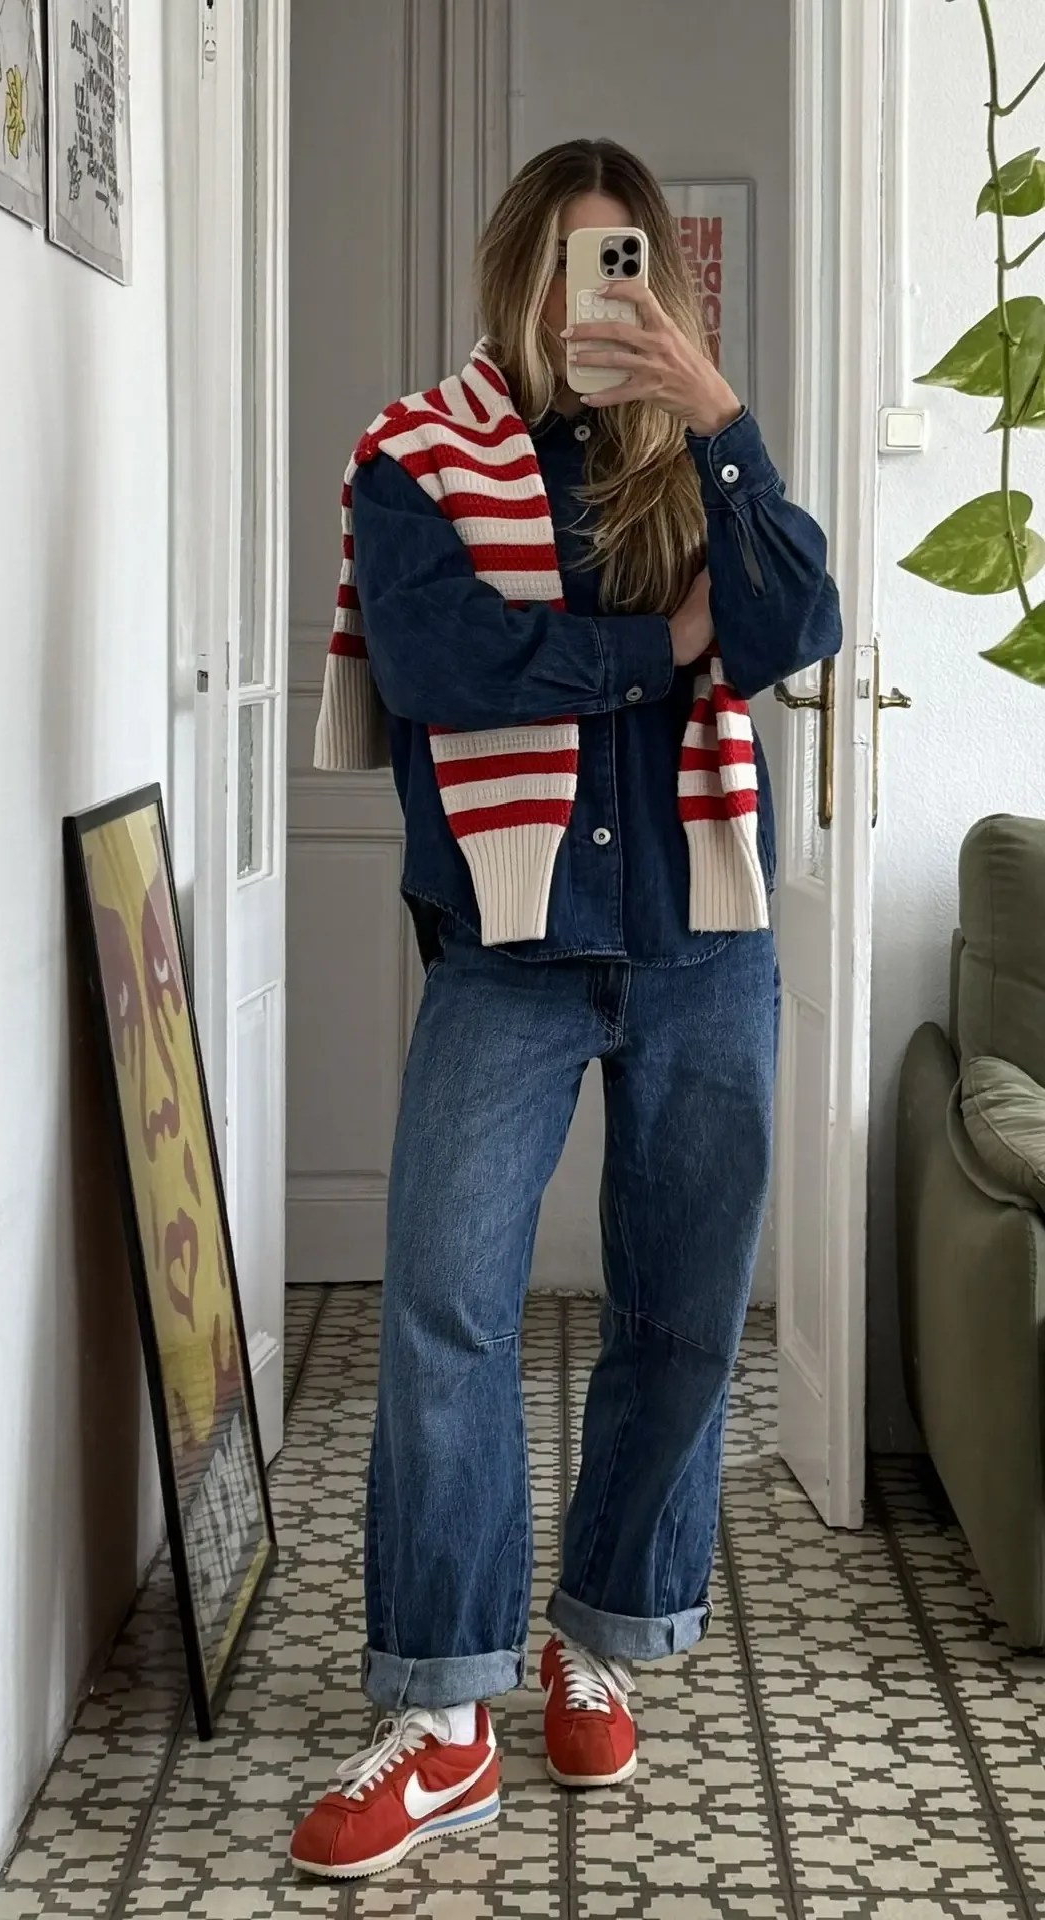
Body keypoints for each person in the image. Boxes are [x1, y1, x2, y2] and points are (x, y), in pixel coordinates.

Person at [291, 137, 841, 1883]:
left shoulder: (696, 459)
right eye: (562, 260)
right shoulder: (413, 453)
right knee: (446, 1312)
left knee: (683, 1316)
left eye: (622, 265)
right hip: (507, 948)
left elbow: (795, 621)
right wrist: (659, 650)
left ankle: (596, 1633)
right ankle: (446, 1715)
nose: (585, 297)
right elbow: (440, 666)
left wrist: (720, 414)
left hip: (703, 943)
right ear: (513, 272)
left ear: (657, 285)